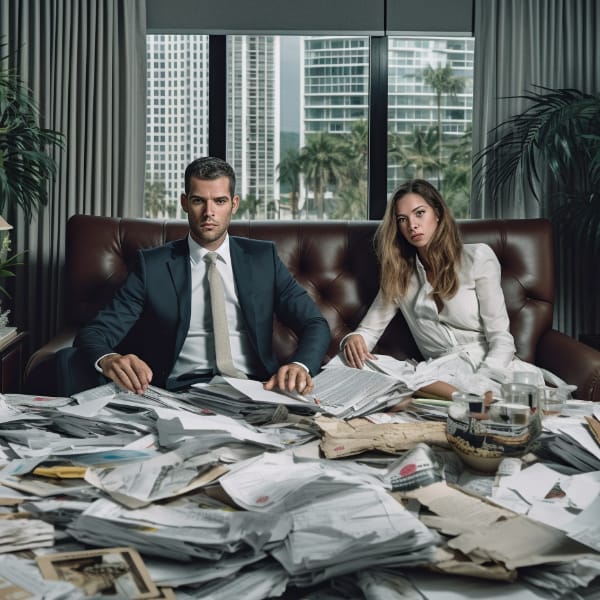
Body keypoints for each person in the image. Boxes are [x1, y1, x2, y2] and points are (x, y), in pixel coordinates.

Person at [58, 157, 331, 396]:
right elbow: (95, 333)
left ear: (234, 204)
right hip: (178, 392)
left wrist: (300, 365)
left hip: (255, 389)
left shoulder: (263, 259)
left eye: (220, 201)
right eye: (199, 200)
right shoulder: (153, 266)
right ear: (185, 203)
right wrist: (109, 358)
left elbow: (314, 323)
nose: (209, 212)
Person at [342, 179, 549, 400]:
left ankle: (474, 400)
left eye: (420, 213)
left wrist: (483, 379)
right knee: (356, 365)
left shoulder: (477, 257)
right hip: (438, 374)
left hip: (490, 367)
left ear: (438, 213)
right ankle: (469, 402)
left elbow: (501, 338)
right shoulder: (398, 274)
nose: (412, 225)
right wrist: (354, 339)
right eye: (403, 219)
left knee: (410, 384)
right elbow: (369, 331)